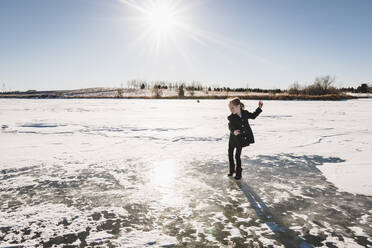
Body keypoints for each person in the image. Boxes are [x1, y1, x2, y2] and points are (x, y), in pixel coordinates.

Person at [227, 97, 263, 179]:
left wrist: (259, 108)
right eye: (230, 108)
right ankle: (231, 170)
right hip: (232, 139)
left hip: (240, 139)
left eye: (232, 108)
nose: (231, 110)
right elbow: (230, 126)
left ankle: (238, 173)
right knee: (230, 154)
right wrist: (233, 131)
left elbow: (253, 116)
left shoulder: (245, 113)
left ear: (238, 106)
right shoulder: (231, 117)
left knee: (237, 156)